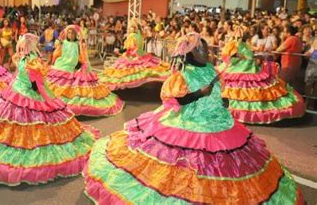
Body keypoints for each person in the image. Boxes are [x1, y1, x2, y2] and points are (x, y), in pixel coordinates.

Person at [83, 33, 304, 204]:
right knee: (190, 171)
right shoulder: (183, 75)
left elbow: (219, 94)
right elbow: (175, 102)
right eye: (199, 49)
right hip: (190, 123)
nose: (204, 51)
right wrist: (200, 94)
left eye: (204, 47)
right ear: (189, 53)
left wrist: (220, 102)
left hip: (219, 122)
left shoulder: (211, 69)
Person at [0, 33, 99, 185]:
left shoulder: (24, 58)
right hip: (27, 93)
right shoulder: (32, 60)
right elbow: (35, 84)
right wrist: (48, 98)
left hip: (17, 90)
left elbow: (23, 76)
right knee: (30, 125)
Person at [219, 32, 305, 124]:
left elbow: (244, 56)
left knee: (254, 90)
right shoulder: (235, 44)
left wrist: (250, 57)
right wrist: (240, 57)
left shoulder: (243, 45)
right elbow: (227, 55)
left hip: (248, 69)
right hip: (239, 70)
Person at [47, 25, 124, 117]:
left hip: (72, 66)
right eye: (69, 33)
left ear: (76, 35)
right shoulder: (63, 43)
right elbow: (57, 54)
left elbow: (82, 57)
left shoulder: (78, 45)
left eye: (72, 33)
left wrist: (80, 65)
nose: (70, 35)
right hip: (61, 65)